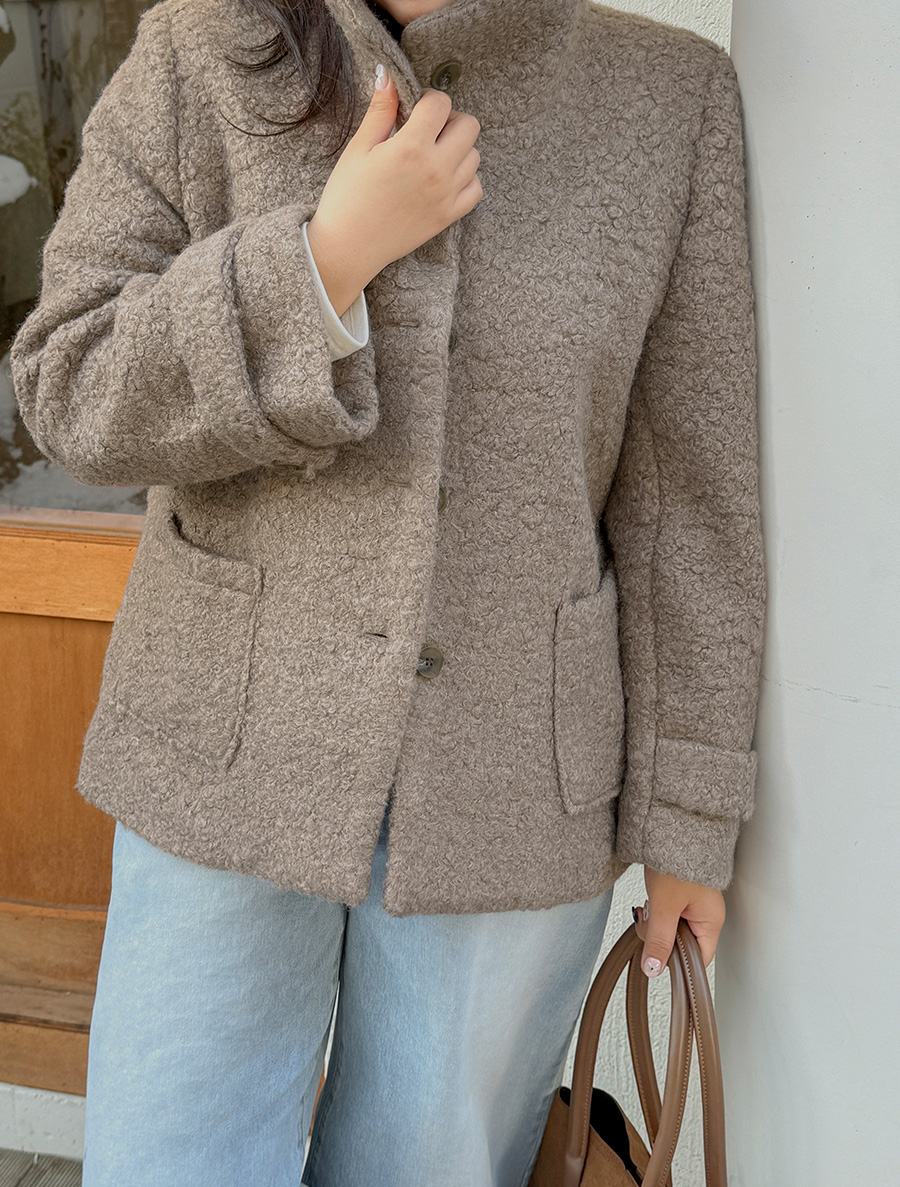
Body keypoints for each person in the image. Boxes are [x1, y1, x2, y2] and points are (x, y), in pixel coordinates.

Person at [9, 0, 765, 1181]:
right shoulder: (196, 51)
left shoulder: (667, 99)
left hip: (509, 786)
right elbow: (69, 382)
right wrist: (320, 262)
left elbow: (691, 511)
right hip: (222, 751)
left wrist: (689, 821)